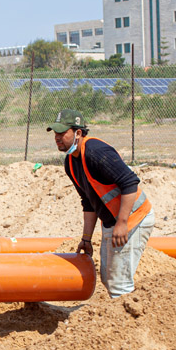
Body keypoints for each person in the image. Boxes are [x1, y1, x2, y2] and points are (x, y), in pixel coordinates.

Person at [49, 108, 155, 298]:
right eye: (56, 133)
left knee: (119, 283)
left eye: (62, 133)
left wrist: (123, 224)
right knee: (108, 278)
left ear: (78, 133)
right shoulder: (71, 163)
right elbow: (88, 203)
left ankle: (129, 323)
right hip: (113, 222)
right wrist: (87, 238)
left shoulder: (96, 152)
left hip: (133, 219)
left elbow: (129, 182)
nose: (57, 137)